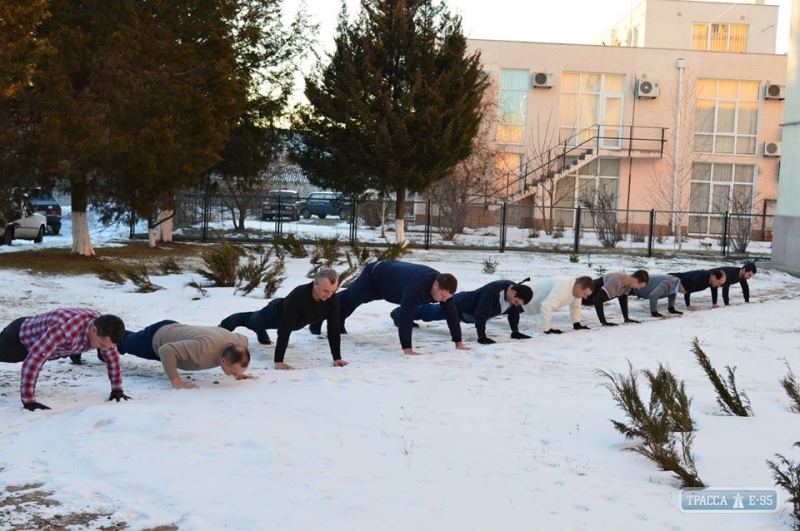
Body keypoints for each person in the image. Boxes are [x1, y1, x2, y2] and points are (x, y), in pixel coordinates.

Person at [312, 260, 467, 356]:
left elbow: (451, 314)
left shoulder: (444, 290)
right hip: (375, 277)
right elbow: (405, 316)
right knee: (350, 298)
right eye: (442, 295)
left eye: (448, 297)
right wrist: (407, 348)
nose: (445, 300)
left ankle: (338, 322)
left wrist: (458, 342)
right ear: (436, 284)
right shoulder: (416, 287)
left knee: (352, 300)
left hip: (390, 285)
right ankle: (316, 318)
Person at [0, 308, 129, 410]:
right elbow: (33, 361)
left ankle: (74, 351)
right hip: (19, 340)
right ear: (94, 330)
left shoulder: (102, 328)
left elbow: (112, 359)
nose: (104, 349)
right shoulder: (63, 330)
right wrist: (29, 402)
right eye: (101, 345)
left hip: (52, 337)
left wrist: (117, 389)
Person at [219, 268, 345, 370]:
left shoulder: (332, 300)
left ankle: (259, 329)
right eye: (326, 291)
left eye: (333, 291)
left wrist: (337, 358)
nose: (329, 295)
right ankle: (225, 324)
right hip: (274, 314)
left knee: (258, 324)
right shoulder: (299, 296)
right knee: (250, 320)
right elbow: (285, 329)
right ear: (315, 283)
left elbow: (333, 327)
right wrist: (278, 361)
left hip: (296, 321)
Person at [113, 320, 253, 388]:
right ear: (223, 361)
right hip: (156, 338)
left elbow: (245, 341)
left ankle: (109, 345)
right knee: (125, 342)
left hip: (175, 330)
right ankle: (106, 337)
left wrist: (239, 372)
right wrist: (177, 382)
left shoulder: (239, 342)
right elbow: (166, 350)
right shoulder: (203, 348)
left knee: (128, 338)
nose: (235, 376)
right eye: (233, 372)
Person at [402, 280, 533, 344]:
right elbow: (481, 314)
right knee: (429, 313)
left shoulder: (513, 296)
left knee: (430, 313)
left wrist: (515, 332)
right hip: (460, 305)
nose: (515, 305)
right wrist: (482, 336)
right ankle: (399, 314)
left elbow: (514, 313)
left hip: (467, 314)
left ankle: (403, 312)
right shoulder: (493, 291)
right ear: (514, 292)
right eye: (516, 302)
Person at [524, 276, 594, 334]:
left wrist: (577, 323)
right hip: (521, 296)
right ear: (578, 287)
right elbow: (546, 307)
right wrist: (547, 329)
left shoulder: (576, 290)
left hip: (527, 303)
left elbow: (575, 307)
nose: (585, 297)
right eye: (585, 294)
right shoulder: (563, 287)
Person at [582, 270, 649, 326]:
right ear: (635, 281)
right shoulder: (616, 279)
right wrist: (604, 322)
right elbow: (597, 300)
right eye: (640, 286)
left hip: (588, 298)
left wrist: (626, 318)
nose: (638, 288)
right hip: (581, 294)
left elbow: (623, 299)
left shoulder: (628, 284)